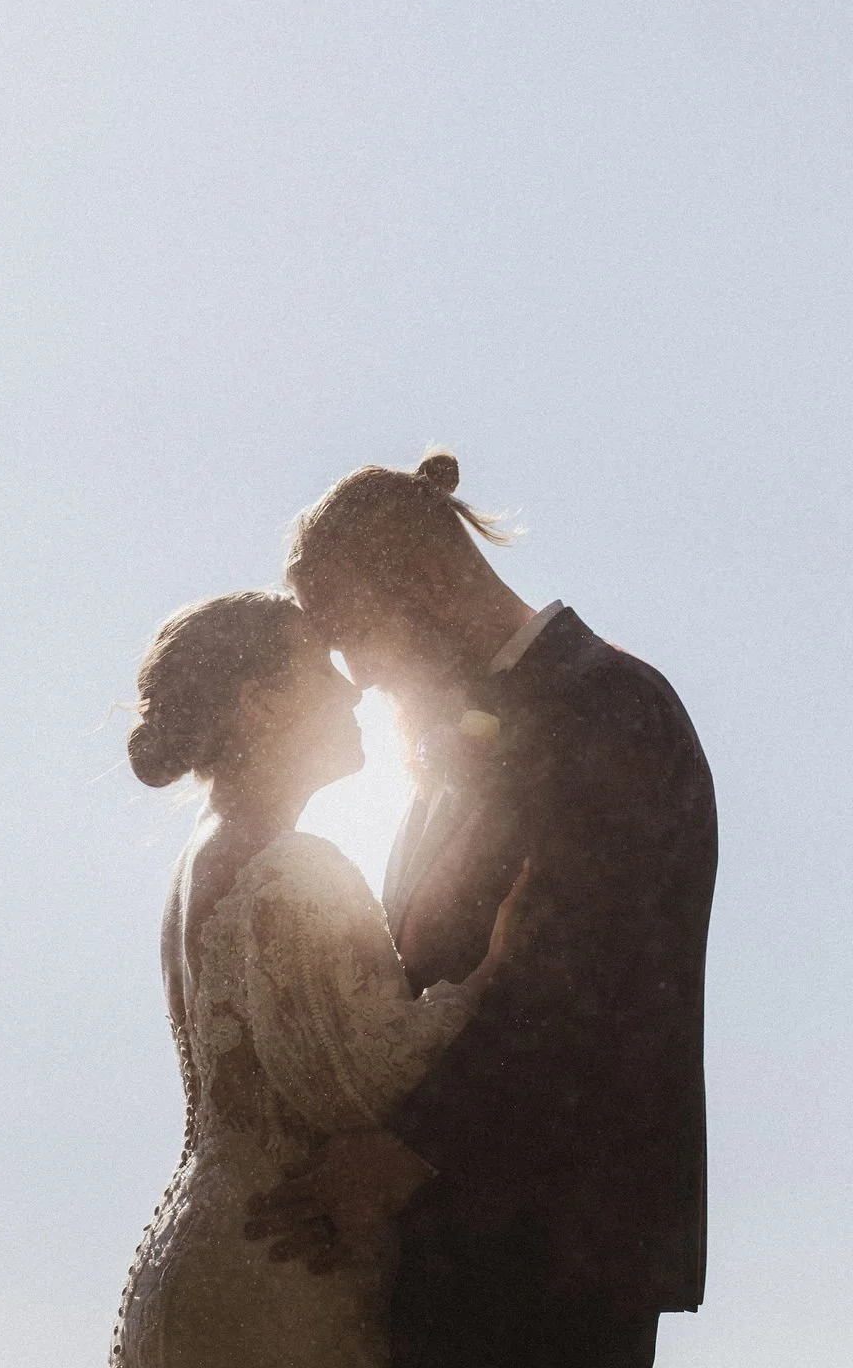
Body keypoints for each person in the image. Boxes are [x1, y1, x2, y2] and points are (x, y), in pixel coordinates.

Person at [264, 451, 717, 1368]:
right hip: (452, 1239)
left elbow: (577, 972)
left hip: (553, 1246)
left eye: (367, 643)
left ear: (427, 577)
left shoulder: (609, 706)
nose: (372, 682)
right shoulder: (458, 748)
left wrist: (400, 1154)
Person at [109, 590, 523, 1368]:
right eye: (321, 670)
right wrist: (493, 975)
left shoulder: (203, 861)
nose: (352, 688)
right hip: (281, 1266)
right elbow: (367, 1084)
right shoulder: (292, 867)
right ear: (260, 705)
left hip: (194, 1251)